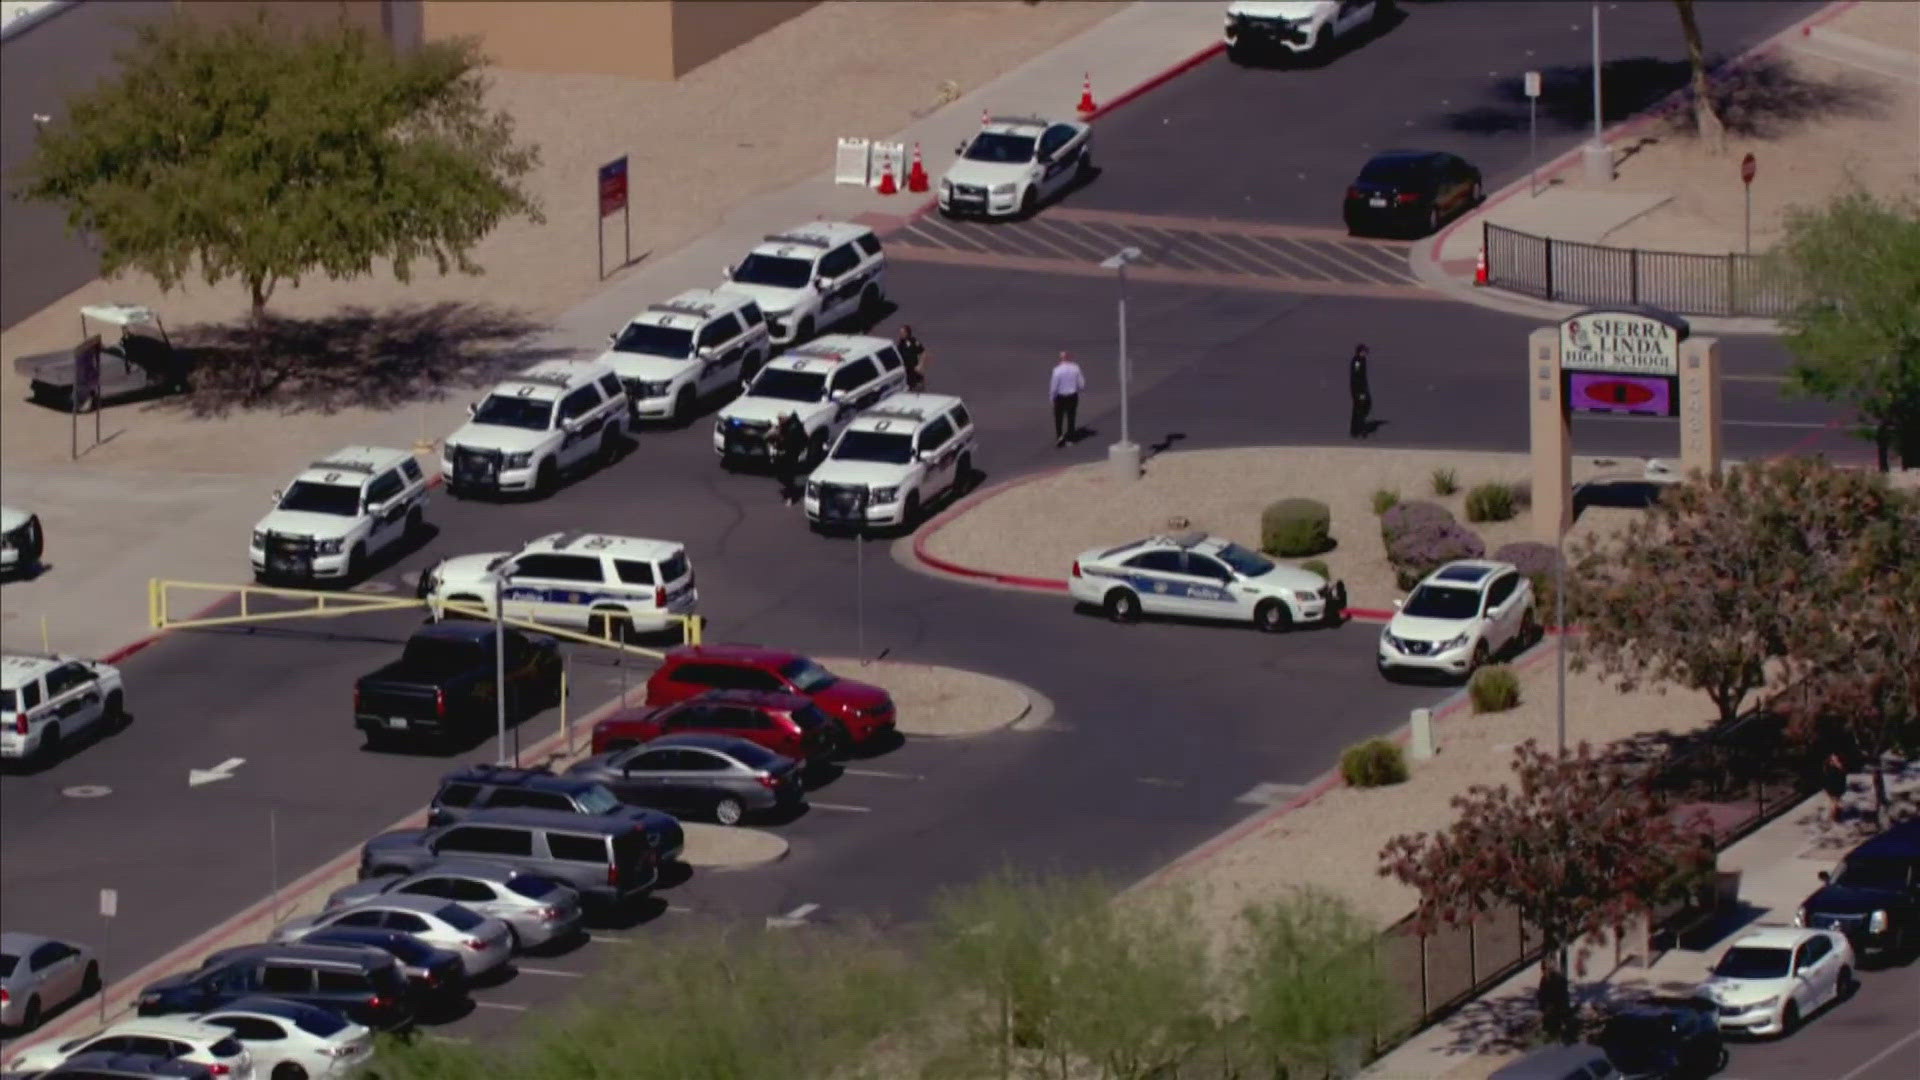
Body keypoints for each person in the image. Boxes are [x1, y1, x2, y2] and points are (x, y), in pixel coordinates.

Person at [771, 411, 808, 505]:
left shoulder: (793, 428)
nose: (778, 421)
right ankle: (790, 491)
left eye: (780, 419)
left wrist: (781, 444)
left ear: (785, 418)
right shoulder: (786, 426)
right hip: (785, 454)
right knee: (782, 474)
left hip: (791, 455)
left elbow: (790, 442)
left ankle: (791, 496)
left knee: (788, 475)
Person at [1050, 350, 1084, 447]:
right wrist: (1077, 389)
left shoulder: (1057, 370)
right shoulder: (1076, 368)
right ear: (1069, 358)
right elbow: (1081, 384)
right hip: (1072, 396)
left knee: (1059, 418)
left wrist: (1052, 397)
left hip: (1060, 397)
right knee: (1071, 417)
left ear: (1061, 359)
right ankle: (1070, 438)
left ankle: (1060, 437)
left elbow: (1054, 386)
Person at [1348, 343, 1372, 440]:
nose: (1365, 353)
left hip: (1362, 389)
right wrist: (1360, 390)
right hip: (1359, 390)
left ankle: (1358, 429)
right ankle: (1358, 429)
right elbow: (1357, 375)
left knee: (1363, 407)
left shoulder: (1362, 360)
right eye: (1363, 351)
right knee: (1360, 408)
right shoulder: (1357, 361)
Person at [897, 324, 929, 391]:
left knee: (918, 389)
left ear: (907, 333)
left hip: (915, 370)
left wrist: (920, 365)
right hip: (906, 372)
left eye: (902, 332)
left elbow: (923, 352)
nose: (901, 334)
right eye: (900, 332)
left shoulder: (913, 341)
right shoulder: (900, 343)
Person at [1821, 750, 1849, 822]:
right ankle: (1835, 815)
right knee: (1834, 800)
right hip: (1834, 785)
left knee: (1834, 800)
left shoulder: (1832, 763)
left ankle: (1835, 815)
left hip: (1835, 785)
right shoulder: (1831, 764)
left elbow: (1842, 770)